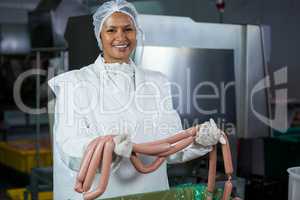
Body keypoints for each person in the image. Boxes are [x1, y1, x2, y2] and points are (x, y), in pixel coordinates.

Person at [48, 0, 219, 199]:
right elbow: (69, 147)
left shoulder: (157, 82)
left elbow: (170, 145)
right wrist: (107, 151)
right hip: (102, 195)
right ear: (99, 36)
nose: (121, 36)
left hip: (151, 192)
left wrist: (198, 142)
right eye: (111, 30)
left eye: (128, 29)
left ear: (136, 33)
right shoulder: (74, 83)